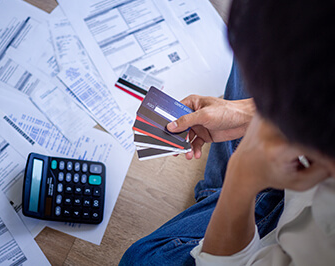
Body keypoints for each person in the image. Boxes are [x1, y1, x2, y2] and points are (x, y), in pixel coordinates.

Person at [119, 0, 335, 265]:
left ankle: (217, 204)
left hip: (287, 220)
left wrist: (241, 177)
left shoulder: (322, 246)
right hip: (308, 157)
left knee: (141, 260)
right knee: (260, 40)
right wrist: (246, 112)